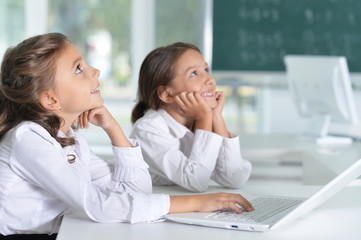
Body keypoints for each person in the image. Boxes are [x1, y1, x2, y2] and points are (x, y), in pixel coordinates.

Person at [0, 33, 254, 238]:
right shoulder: (28, 137)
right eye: (79, 69)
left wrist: (113, 128)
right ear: (50, 99)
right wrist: (195, 203)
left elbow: (137, 190)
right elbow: (96, 204)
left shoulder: (70, 139)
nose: (96, 71)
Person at [130, 42, 252, 192]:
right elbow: (197, 180)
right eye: (194, 73)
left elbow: (235, 178)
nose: (210, 80)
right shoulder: (147, 129)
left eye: (206, 69)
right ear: (167, 94)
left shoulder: (197, 121)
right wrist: (205, 118)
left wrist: (216, 117)